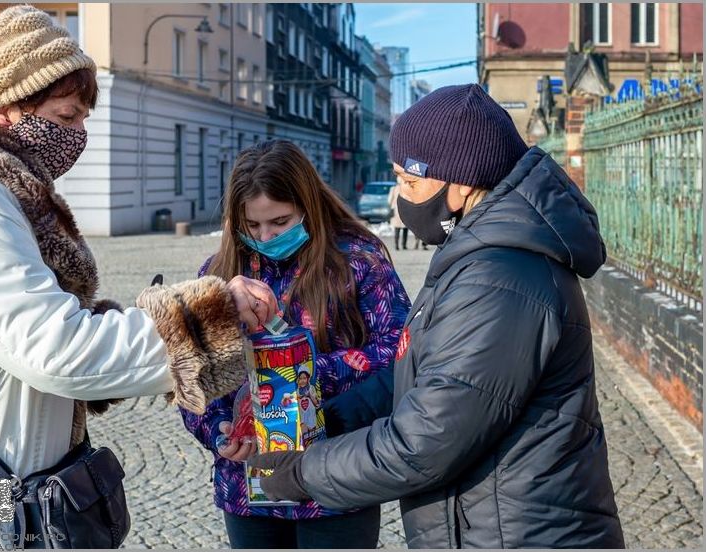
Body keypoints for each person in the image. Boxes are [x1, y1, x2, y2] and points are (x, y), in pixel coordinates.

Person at [0, 6, 275, 546]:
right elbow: (54, 349)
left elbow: (31, 325)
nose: (79, 134)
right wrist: (208, 316)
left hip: (6, 466)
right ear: (6, 104)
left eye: (83, 119)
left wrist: (146, 319)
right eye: (66, 116)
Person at [249, 84, 626, 548]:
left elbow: (425, 442)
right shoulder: (479, 254)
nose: (404, 199)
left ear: (460, 183)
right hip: (490, 523)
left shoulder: (501, 277)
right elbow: (427, 370)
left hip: (518, 533)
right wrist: (328, 419)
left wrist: (303, 472)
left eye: (410, 182)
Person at [179, 139, 411, 549]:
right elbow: (191, 373)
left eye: (280, 222)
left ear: (308, 205)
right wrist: (218, 431)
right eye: (252, 226)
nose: (265, 236)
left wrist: (302, 372)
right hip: (249, 489)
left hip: (336, 482)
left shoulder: (358, 261)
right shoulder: (217, 275)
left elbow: (402, 350)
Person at [295, 365, 320, 434]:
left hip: (312, 420)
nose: (302, 381)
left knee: (313, 436)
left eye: (304, 378)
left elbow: (316, 403)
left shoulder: (311, 388)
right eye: (300, 378)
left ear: (308, 379)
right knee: (305, 435)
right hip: (303, 421)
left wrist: (310, 395)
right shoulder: (297, 391)